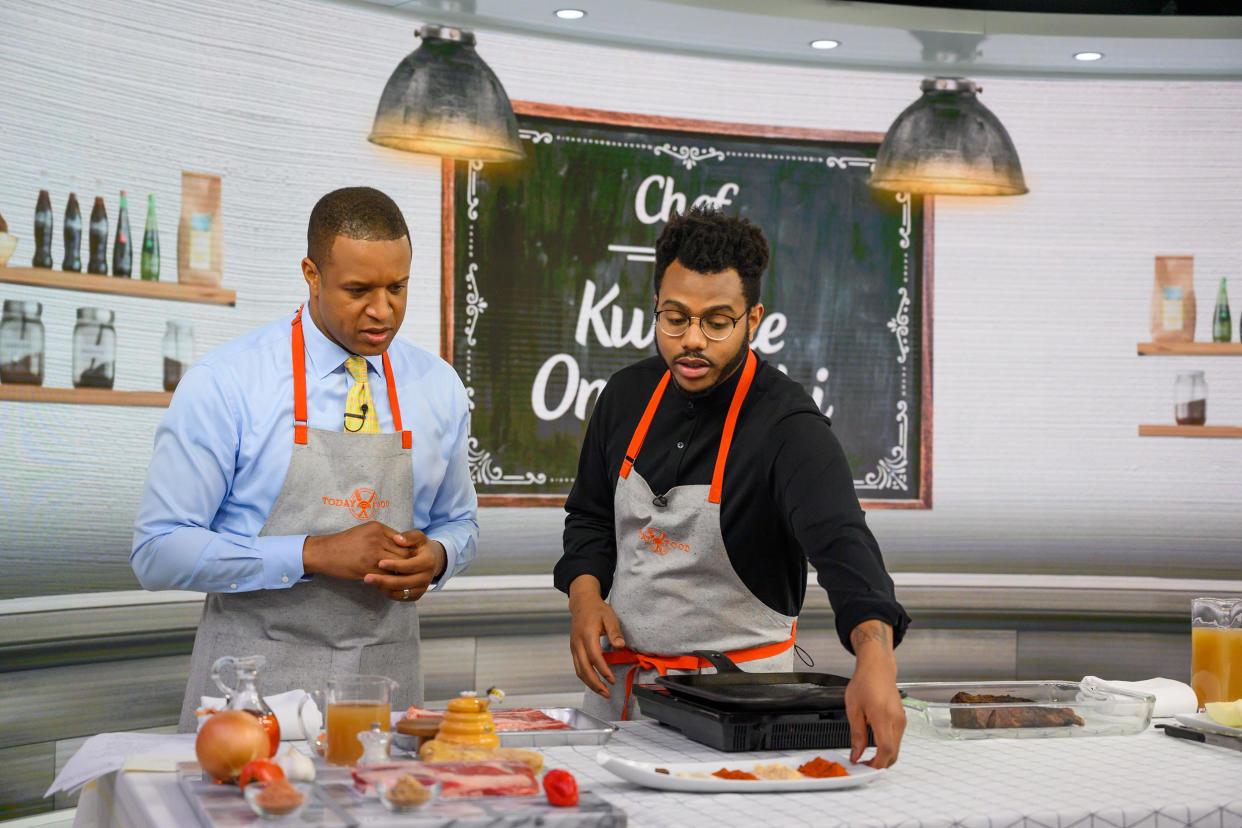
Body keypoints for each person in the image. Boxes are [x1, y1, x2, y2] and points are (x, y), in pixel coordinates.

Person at [554, 206, 911, 768]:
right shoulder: (623, 397)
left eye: (716, 322)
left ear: (754, 318)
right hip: (618, 701)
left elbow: (845, 549)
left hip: (745, 714)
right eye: (674, 318)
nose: (691, 340)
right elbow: (592, 518)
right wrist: (585, 598)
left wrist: (876, 661)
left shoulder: (788, 426)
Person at [132, 187, 478, 732]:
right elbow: (158, 551)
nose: (382, 311)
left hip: (385, 694)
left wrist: (437, 558)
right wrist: (312, 553)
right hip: (250, 697)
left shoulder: (439, 387)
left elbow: (460, 522)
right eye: (358, 289)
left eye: (398, 287)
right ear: (311, 275)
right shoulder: (227, 383)